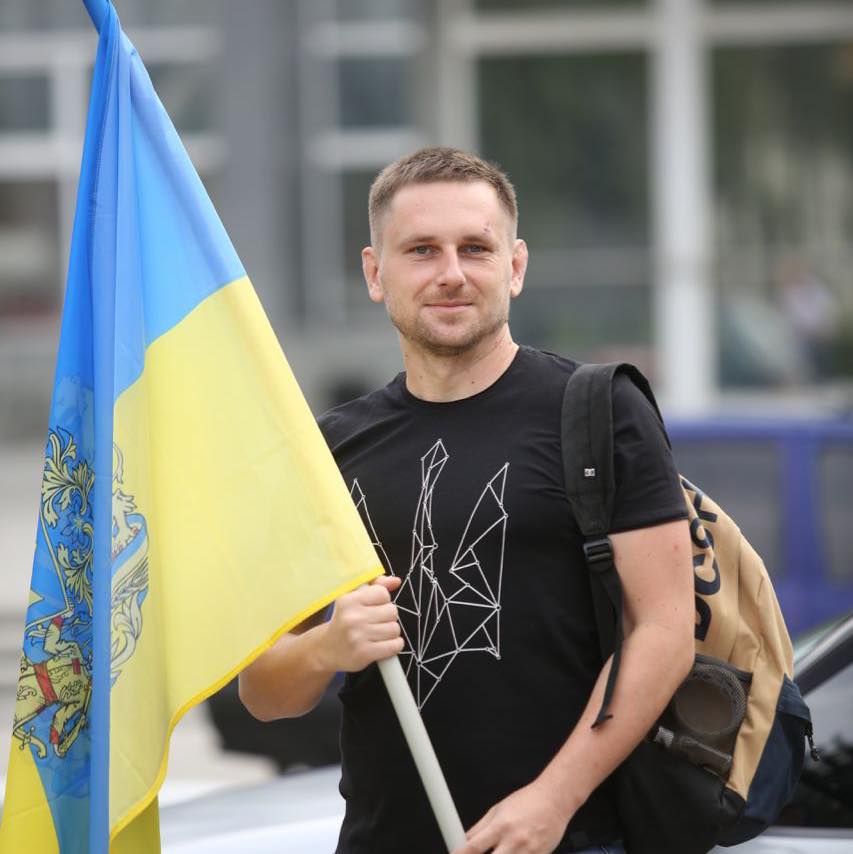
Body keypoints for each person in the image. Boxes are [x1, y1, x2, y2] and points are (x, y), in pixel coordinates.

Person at [239, 147, 695, 854]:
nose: (450, 273)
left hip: (572, 839)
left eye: (475, 249)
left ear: (514, 266)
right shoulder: (328, 450)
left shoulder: (599, 411)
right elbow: (265, 694)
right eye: (421, 250)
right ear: (374, 273)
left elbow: (664, 632)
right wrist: (329, 645)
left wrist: (554, 799)